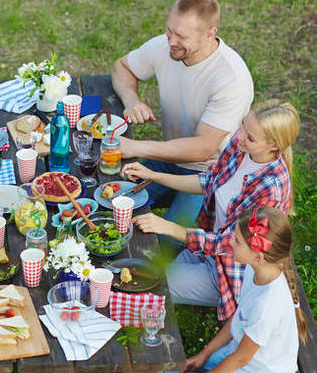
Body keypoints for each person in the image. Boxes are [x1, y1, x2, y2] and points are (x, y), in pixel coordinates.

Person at [124, 98, 299, 322]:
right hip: (205, 249)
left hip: (229, 268)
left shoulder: (269, 189)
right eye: (243, 125)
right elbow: (209, 181)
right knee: (147, 275)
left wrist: (165, 226)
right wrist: (153, 176)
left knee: (151, 285)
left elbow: (226, 243)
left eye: (250, 137)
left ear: (273, 145)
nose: (239, 137)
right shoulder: (241, 146)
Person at [158, 207, 305, 373]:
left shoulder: (267, 305)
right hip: (240, 356)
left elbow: (241, 359)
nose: (229, 243)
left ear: (258, 255)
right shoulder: (254, 270)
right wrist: (205, 354)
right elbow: (237, 317)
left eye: (236, 241)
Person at [111, 0, 254, 226]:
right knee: (113, 204)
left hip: (210, 173)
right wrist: (132, 100)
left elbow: (203, 149)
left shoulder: (231, 79)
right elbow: (121, 67)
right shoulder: (165, 47)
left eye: (181, 36)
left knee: (161, 248)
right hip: (169, 157)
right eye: (169, 30)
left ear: (210, 34)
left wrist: (138, 147)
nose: (170, 41)